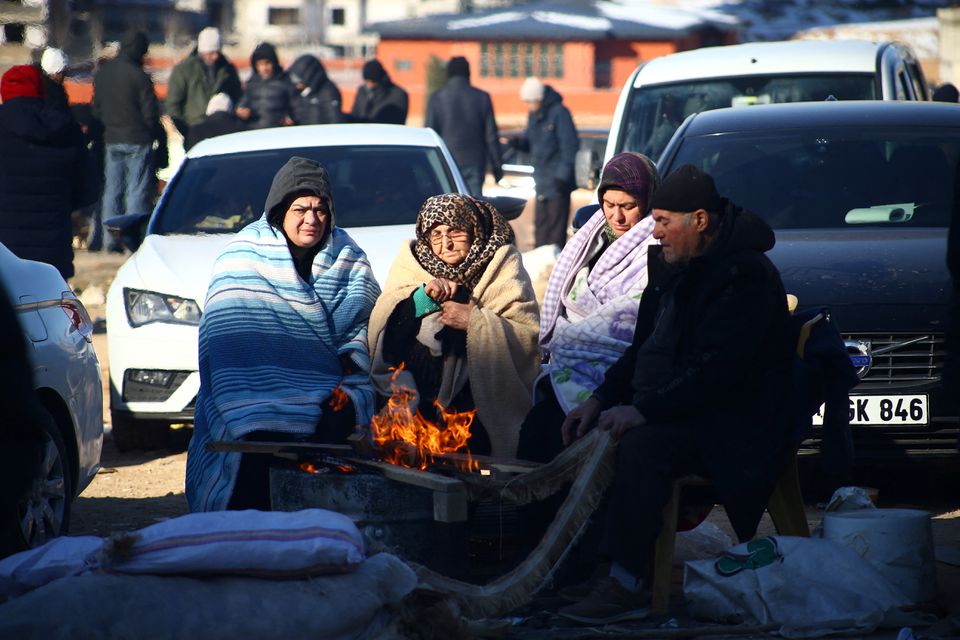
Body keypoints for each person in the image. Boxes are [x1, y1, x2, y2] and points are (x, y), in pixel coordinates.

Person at [556, 165, 795, 624]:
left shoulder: (743, 276)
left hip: (735, 423)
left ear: (700, 220)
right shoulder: (674, 268)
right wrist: (599, 400)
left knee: (640, 446)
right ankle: (594, 571)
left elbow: (715, 371)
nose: (655, 232)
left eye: (664, 221)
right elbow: (641, 351)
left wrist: (642, 411)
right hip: (683, 408)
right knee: (574, 428)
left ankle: (626, 583)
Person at [185, 156, 380, 512]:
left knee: (347, 415)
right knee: (254, 452)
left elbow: (361, 330)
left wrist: (344, 383)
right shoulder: (243, 257)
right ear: (279, 211)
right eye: (300, 209)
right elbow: (227, 336)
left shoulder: (349, 257)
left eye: (321, 210)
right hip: (251, 391)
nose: (312, 219)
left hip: (326, 388)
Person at [367, 194, 540, 458]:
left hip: (477, 407)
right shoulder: (412, 263)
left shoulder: (503, 265)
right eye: (436, 234)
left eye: (455, 232)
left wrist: (474, 322)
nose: (445, 243)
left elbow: (526, 336)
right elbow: (387, 336)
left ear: (474, 230)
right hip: (420, 405)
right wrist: (422, 299)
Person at [516, 152, 660, 464]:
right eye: (609, 205)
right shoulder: (590, 237)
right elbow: (568, 298)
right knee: (537, 431)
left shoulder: (658, 246)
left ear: (647, 200)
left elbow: (633, 312)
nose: (617, 217)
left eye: (628, 206)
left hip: (619, 371)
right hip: (569, 358)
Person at [0, 65, 99, 279]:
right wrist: (59, 205)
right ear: (40, 89)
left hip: (4, 252)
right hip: (52, 250)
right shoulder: (65, 127)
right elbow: (88, 188)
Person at [92, 29, 166, 253]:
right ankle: (132, 241)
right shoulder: (139, 76)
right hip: (138, 139)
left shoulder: (104, 74)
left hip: (111, 139)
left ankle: (110, 240)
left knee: (112, 191)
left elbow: (96, 110)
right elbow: (150, 114)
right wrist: (154, 134)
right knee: (136, 192)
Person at [513, 76, 578, 249]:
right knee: (541, 229)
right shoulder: (534, 115)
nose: (528, 105)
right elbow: (533, 142)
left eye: (530, 101)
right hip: (541, 181)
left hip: (557, 182)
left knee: (555, 232)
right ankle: (541, 261)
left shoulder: (560, 113)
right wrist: (519, 144)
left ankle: (556, 262)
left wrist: (562, 176)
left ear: (539, 98)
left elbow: (570, 145)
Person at [424, 56, 503, 195]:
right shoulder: (482, 97)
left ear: (449, 73)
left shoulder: (437, 98)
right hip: (475, 161)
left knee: (448, 203)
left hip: (446, 161)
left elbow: (430, 134)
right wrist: (497, 166)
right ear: (468, 73)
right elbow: (491, 136)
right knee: (473, 204)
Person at [164, 26, 243, 140]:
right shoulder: (184, 70)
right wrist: (185, 130)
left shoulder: (227, 70)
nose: (215, 57)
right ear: (202, 51)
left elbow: (237, 95)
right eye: (211, 53)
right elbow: (173, 105)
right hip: (195, 130)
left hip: (222, 130)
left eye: (217, 52)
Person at [235, 41, 295, 130]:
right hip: (254, 131)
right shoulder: (251, 84)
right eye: (260, 64)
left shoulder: (285, 81)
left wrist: (291, 117)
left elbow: (297, 106)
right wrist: (241, 111)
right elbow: (243, 103)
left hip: (278, 132)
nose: (264, 68)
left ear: (274, 63)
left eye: (267, 63)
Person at [288, 54, 343, 125]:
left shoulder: (328, 93)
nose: (296, 83)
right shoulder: (297, 92)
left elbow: (334, 119)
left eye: (299, 80)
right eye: (294, 79)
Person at [350, 59, 408, 125]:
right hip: (361, 130)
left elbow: (395, 122)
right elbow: (355, 114)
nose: (369, 85)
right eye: (367, 81)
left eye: (372, 81)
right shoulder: (362, 91)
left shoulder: (398, 95)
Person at [38, 47, 70, 112]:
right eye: (63, 71)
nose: (66, 75)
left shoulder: (37, 83)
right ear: (56, 72)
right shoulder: (54, 94)